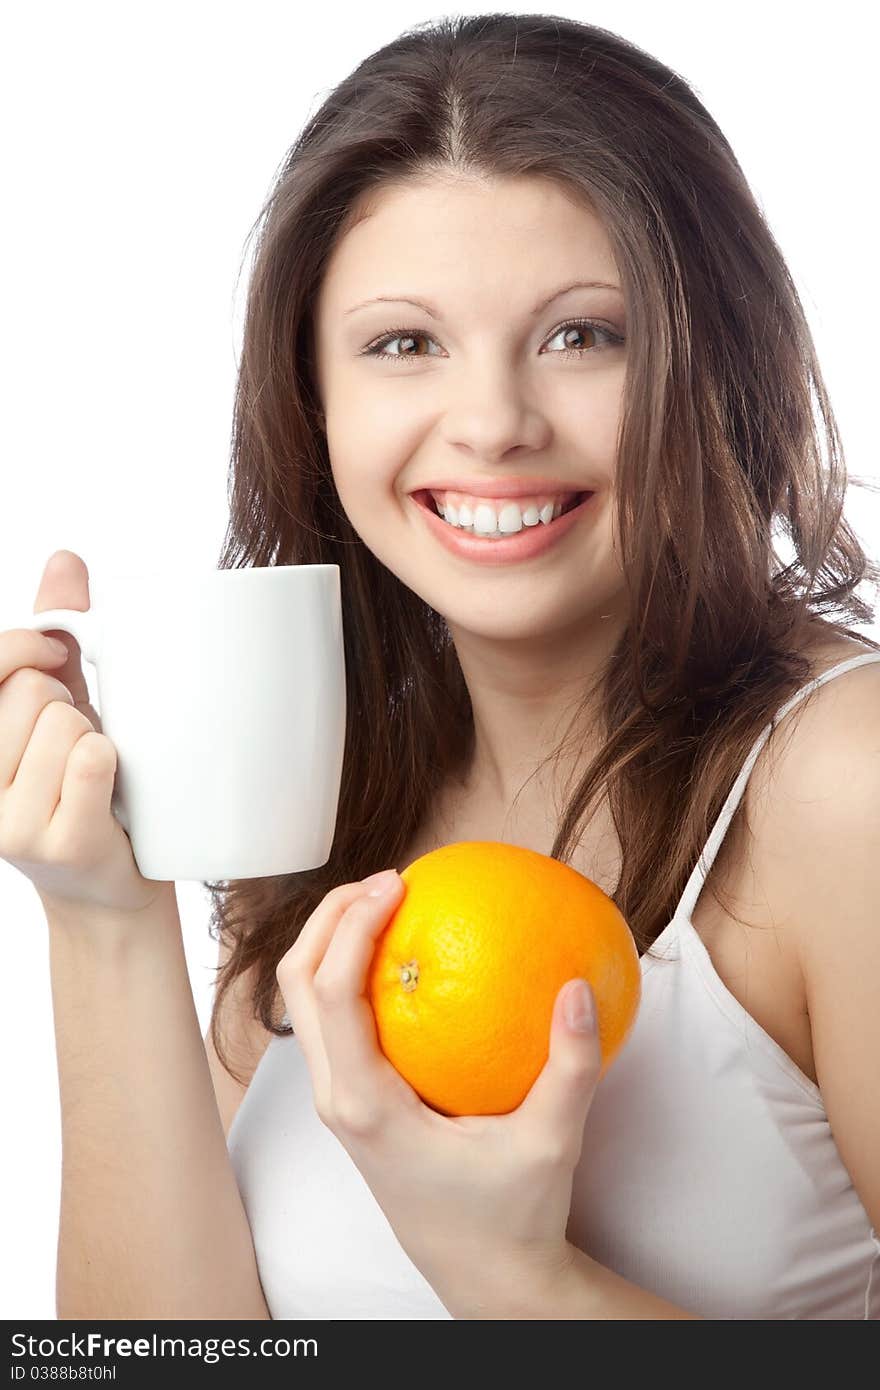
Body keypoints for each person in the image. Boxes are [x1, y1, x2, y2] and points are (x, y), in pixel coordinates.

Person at [4, 14, 878, 1321]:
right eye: (404, 343)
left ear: (718, 362)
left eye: (585, 334)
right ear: (313, 399)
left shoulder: (841, 785)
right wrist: (100, 915)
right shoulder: (336, 784)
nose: (493, 424)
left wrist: (513, 1274)